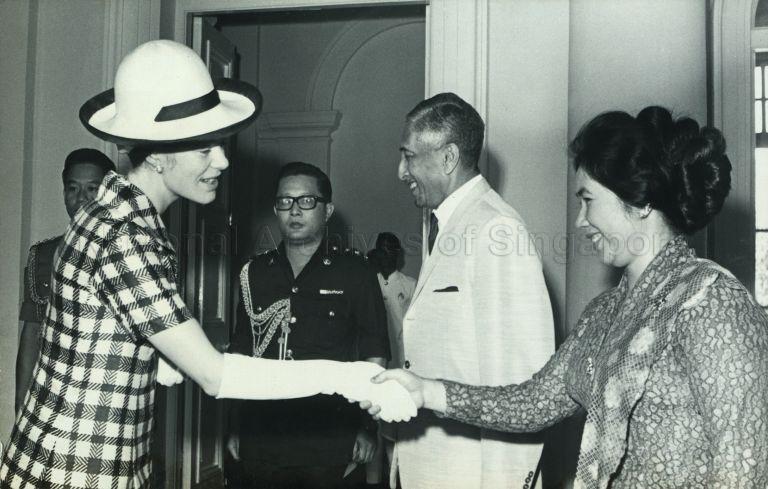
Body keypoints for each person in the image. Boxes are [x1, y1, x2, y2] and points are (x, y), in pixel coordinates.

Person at [0, 40, 413, 489]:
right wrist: (353, 379)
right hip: (77, 472)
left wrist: (149, 355)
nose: (223, 160)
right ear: (156, 154)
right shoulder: (129, 237)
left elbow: (93, 331)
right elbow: (217, 376)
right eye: (203, 150)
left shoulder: (112, 214)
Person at [366, 106, 768, 488]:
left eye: (588, 200)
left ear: (640, 201)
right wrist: (426, 391)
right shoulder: (605, 311)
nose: (580, 220)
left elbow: (746, 465)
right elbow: (536, 402)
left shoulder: (713, 303)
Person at [392, 92, 555, 489]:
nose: (400, 171)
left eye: (409, 156)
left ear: (447, 158)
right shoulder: (445, 224)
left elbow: (524, 391)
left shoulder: (497, 230)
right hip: (428, 468)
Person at [226, 162, 390, 489]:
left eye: (306, 201)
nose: (295, 211)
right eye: (285, 202)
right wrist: (234, 426)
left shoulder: (355, 273)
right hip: (264, 434)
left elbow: (375, 355)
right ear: (276, 208)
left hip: (330, 434)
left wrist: (366, 428)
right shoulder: (253, 273)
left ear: (327, 210)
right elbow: (240, 356)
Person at [15, 148, 115, 413]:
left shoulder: (125, 254)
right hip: (53, 400)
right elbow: (31, 335)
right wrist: (21, 405)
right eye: (72, 189)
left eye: (92, 188)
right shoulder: (44, 256)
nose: (81, 199)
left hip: (108, 399)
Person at [366, 232, 416, 369]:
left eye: (389, 249)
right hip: (375, 354)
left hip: (402, 354)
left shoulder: (410, 285)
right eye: (381, 249)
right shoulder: (369, 282)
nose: (385, 254)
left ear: (397, 253)